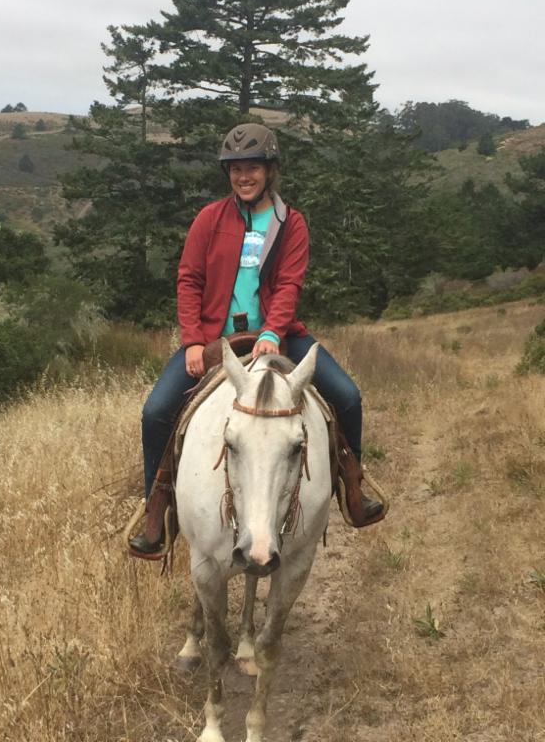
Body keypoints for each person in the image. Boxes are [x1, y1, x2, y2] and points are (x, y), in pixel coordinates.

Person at [129, 123, 382, 557]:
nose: (244, 177)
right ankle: (158, 505)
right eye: (236, 169)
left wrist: (271, 331)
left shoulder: (291, 224)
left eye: (253, 168)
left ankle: (351, 486)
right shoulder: (209, 219)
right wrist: (192, 341)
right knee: (155, 412)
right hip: (215, 340)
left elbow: (289, 285)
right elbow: (188, 280)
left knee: (348, 396)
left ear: (270, 170)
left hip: (277, 339)